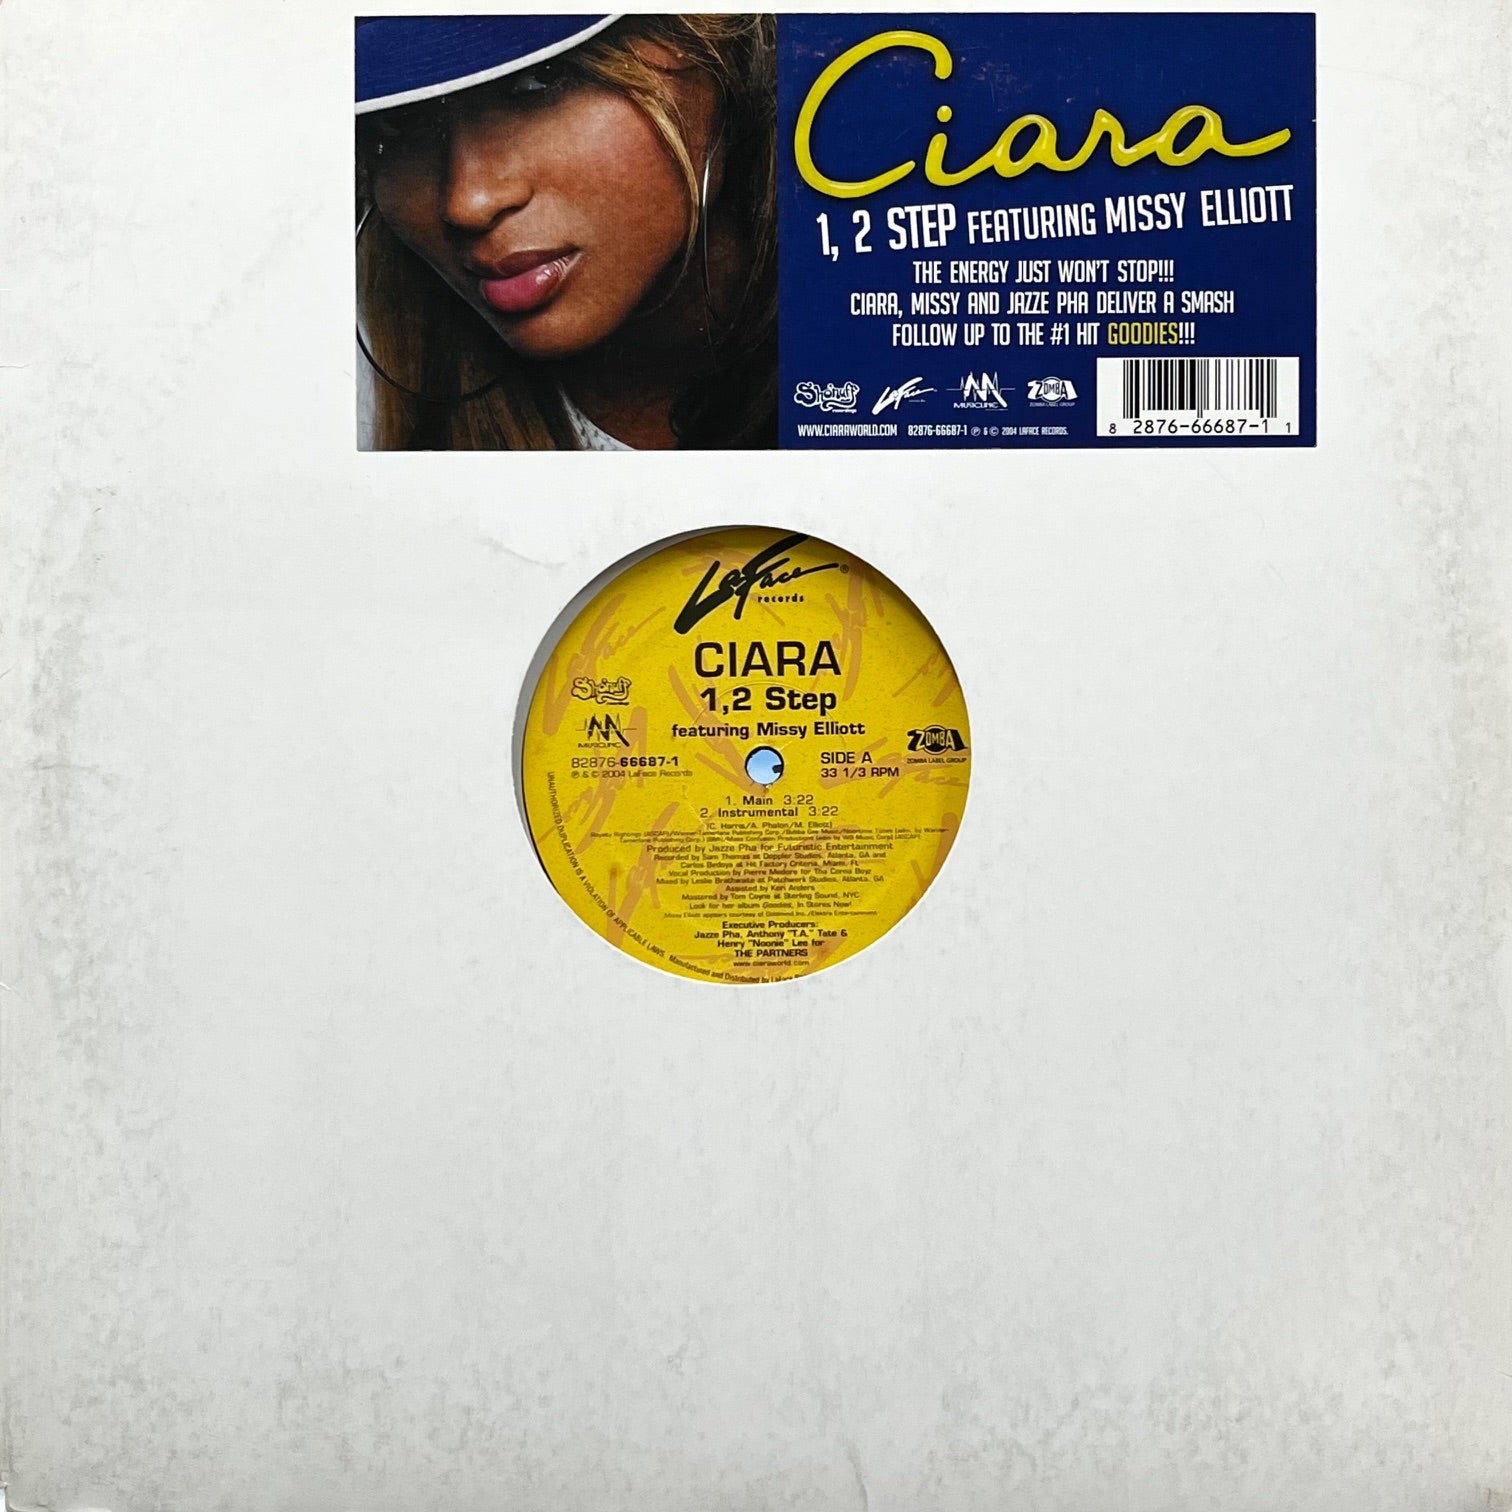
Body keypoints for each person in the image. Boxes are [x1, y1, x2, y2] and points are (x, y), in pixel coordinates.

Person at [355, 14, 776, 450]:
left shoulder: (828, 339)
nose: (468, 204)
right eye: (396, 123)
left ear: (716, 42)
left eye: (540, 80)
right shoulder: (345, 384)